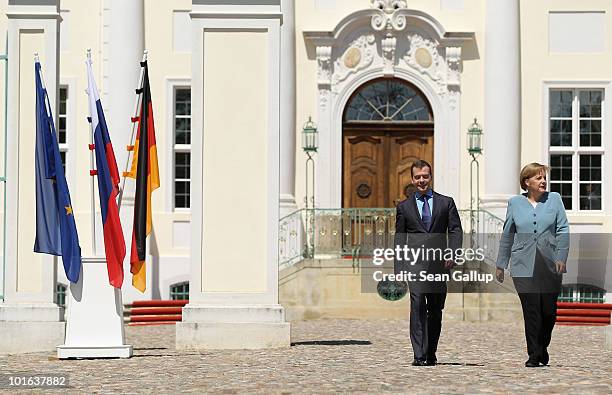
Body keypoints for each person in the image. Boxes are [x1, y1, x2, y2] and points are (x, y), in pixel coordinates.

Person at [496, 162, 569, 368]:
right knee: (531, 310)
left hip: (550, 264)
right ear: (526, 182)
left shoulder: (554, 200)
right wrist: (501, 264)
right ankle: (534, 354)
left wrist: (561, 257)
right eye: (538, 177)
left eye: (544, 177)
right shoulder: (515, 203)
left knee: (549, 312)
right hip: (522, 264)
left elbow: (563, 229)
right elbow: (508, 234)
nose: (543, 180)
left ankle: (542, 346)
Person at [394, 160, 463, 366]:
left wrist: (453, 253)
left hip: (439, 265)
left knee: (435, 310)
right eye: (417, 177)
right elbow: (400, 238)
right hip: (414, 266)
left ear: (430, 177)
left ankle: (430, 351)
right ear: (412, 179)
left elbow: (456, 230)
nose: (421, 180)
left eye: (425, 176)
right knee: (417, 307)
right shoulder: (404, 207)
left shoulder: (446, 202)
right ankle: (419, 354)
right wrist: (399, 268)